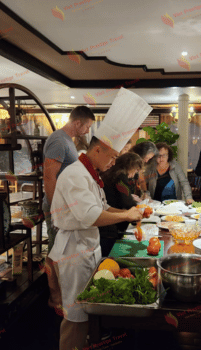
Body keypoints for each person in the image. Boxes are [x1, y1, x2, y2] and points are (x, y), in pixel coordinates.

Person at [48, 136, 143, 350]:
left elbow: (103, 207)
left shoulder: (90, 174)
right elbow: (91, 216)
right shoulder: (74, 174)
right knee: (75, 316)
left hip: (87, 248)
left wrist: (129, 212)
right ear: (98, 150)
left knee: (87, 311)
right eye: (112, 157)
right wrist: (126, 216)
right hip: (74, 251)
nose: (114, 162)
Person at [43, 106, 95, 310]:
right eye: (87, 126)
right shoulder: (58, 140)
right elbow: (49, 176)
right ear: (77, 123)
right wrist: (57, 210)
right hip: (57, 208)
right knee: (55, 253)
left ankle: (62, 295)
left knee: (60, 251)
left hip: (64, 207)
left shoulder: (68, 141)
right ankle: (55, 299)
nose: (88, 131)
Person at [99, 152, 143, 256]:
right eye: (136, 170)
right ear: (131, 165)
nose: (135, 173)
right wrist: (137, 211)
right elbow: (127, 201)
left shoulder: (112, 172)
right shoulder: (120, 175)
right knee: (109, 257)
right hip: (109, 226)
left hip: (107, 218)